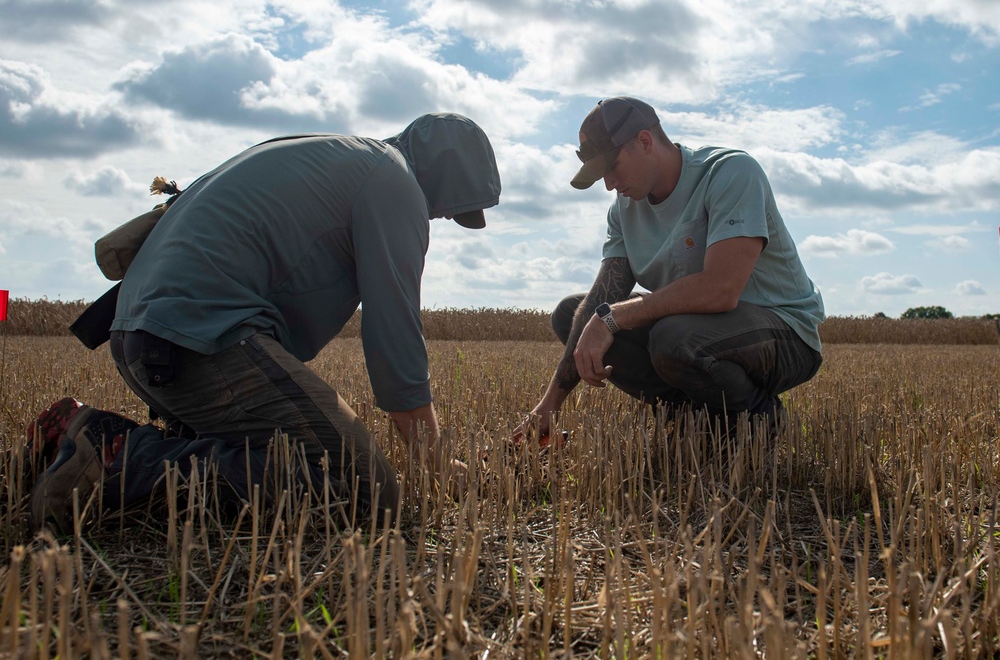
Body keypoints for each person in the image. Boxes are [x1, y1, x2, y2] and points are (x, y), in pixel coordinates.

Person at [29, 112, 502, 534]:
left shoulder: (333, 156)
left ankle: (77, 439)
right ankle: (116, 460)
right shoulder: (394, 182)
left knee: (279, 457)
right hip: (202, 340)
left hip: (144, 336)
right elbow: (394, 334)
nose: (439, 216)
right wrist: (434, 458)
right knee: (362, 489)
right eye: (450, 206)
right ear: (444, 176)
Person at [518, 96, 823, 444]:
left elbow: (721, 290)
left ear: (645, 141)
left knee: (673, 338)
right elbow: (604, 297)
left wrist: (611, 318)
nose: (609, 184)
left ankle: (759, 418)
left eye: (613, 166)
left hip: (785, 334)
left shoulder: (730, 172)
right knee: (572, 314)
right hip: (697, 332)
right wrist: (549, 405)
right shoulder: (623, 210)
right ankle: (693, 416)